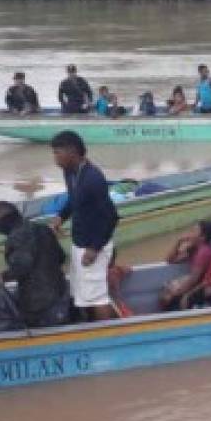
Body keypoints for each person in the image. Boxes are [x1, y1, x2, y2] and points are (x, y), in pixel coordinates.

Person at [50, 131, 119, 321]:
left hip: (93, 246)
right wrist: (61, 216)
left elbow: (111, 217)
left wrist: (94, 248)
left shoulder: (93, 179)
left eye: (57, 153)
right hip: (79, 241)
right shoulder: (69, 172)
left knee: (96, 297)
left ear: (72, 152)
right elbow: (74, 199)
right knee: (82, 294)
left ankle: (109, 336)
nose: (55, 158)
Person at [0, 201, 71, 328]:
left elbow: (22, 266)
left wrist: (2, 276)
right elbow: (61, 257)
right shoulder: (43, 228)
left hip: (38, 305)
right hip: (60, 296)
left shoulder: (16, 237)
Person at [159, 219, 211, 310]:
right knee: (165, 292)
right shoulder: (193, 248)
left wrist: (175, 293)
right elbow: (170, 260)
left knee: (167, 298)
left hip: (202, 287)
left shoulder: (204, 252)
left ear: (202, 237)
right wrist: (178, 242)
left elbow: (194, 280)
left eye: (194, 231)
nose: (190, 234)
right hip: (195, 284)